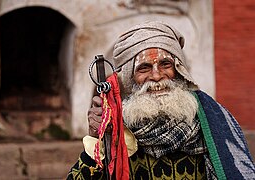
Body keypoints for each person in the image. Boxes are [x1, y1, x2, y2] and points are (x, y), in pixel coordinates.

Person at [67, 21, 255, 180]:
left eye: (165, 64)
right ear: (129, 78)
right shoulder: (115, 127)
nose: (156, 76)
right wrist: (95, 138)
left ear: (179, 71)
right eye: (144, 68)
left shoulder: (212, 120)